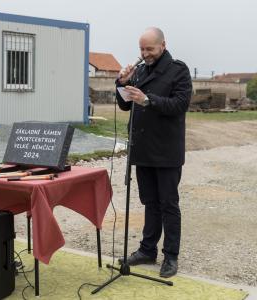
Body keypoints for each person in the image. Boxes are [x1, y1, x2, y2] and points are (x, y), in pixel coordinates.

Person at [116, 27, 192, 278]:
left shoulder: (178, 70)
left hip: (166, 150)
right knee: (149, 202)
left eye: (149, 48)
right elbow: (126, 105)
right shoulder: (140, 70)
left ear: (162, 45)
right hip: (143, 149)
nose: (144, 53)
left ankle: (170, 256)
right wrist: (122, 83)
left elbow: (180, 105)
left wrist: (148, 100)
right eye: (141, 49)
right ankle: (148, 249)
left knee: (168, 204)